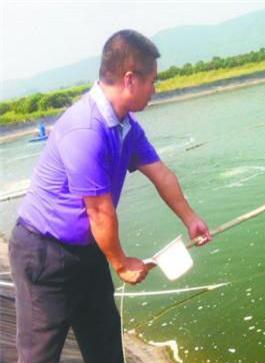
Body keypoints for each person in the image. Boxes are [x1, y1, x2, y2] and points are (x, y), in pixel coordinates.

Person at [9, 29, 212, 363]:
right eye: (152, 81)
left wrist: (190, 218)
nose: (155, 90)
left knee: (105, 347)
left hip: (87, 250)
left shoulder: (125, 125)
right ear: (130, 79)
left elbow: (161, 173)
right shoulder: (85, 130)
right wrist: (121, 263)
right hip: (43, 254)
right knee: (38, 355)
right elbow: (100, 213)